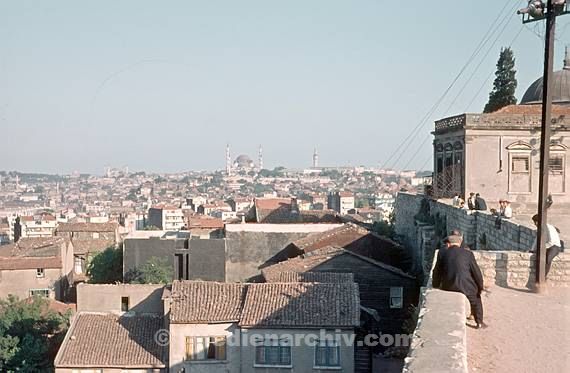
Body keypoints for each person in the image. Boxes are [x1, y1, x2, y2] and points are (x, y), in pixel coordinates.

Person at [433, 233, 486, 328]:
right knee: (476, 299)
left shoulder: (442, 253)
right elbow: (476, 272)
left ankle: (474, 317)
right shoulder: (468, 254)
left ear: (448, 244)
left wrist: (435, 285)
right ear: (460, 243)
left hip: (448, 285)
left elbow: (437, 271)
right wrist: (480, 286)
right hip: (466, 285)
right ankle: (479, 322)